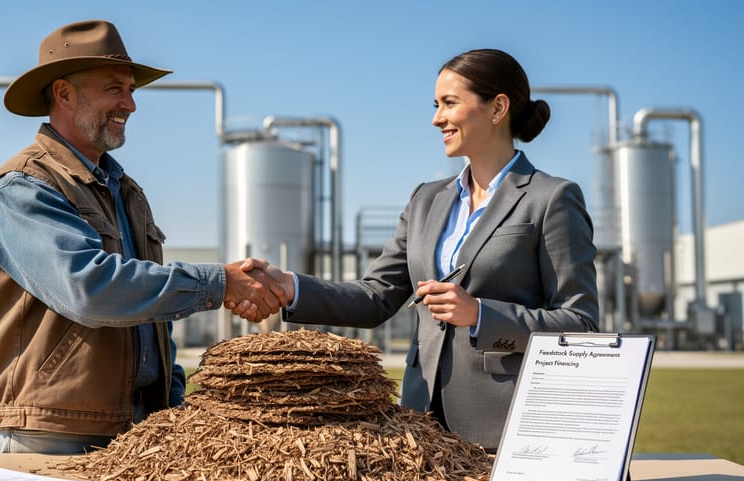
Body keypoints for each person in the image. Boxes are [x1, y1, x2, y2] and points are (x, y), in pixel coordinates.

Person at [236, 49, 599, 451]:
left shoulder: (552, 198)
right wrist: (289, 286)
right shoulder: (425, 200)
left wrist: (481, 314)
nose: (436, 118)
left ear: (497, 108)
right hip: (420, 427)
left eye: (449, 103)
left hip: (510, 430)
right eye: (435, 105)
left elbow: (580, 323)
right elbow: (376, 297)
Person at [0, 20, 286, 454]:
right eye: (115, 88)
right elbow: (89, 288)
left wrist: (173, 406)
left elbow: (151, 315)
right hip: (50, 433)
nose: (131, 104)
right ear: (63, 93)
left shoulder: (125, 191)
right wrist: (220, 283)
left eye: (132, 90)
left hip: (141, 428)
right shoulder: (23, 187)